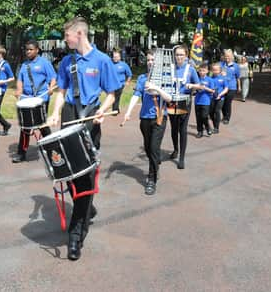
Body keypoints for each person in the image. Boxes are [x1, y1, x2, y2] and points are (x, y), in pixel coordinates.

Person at [48, 17, 120, 261]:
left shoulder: (102, 60)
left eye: (66, 34)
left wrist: (103, 109)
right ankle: (86, 206)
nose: (64, 38)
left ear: (79, 34)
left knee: (85, 176)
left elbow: (111, 92)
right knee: (69, 175)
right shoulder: (67, 61)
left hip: (90, 118)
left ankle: (76, 235)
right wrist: (56, 112)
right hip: (69, 117)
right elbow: (62, 91)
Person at [122, 50, 172, 195]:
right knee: (148, 148)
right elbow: (136, 95)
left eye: (153, 60)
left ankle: (152, 179)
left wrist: (156, 88)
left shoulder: (165, 77)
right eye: (149, 60)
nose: (150, 62)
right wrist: (128, 112)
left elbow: (169, 98)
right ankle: (155, 165)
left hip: (159, 118)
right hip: (144, 118)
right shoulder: (142, 78)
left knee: (154, 147)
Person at [13, 40, 56, 163]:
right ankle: (21, 153)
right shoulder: (24, 65)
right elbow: (20, 80)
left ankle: (52, 151)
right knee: (25, 126)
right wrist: (19, 90)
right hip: (27, 99)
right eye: (26, 49)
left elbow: (53, 77)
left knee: (42, 125)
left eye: (30, 49)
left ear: (37, 50)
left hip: (41, 99)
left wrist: (51, 87)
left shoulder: (44, 63)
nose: (28, 52)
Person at [168, 45, 201, 169]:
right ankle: (175, 149)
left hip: (185, 102)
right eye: (177, 55)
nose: (179, 57)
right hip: (172, 101)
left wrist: (191, 85)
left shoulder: (190, 69)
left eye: (181, 54)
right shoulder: (170, 68)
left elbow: (198, 85)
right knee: (173, 128)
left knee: (183, 129)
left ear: (186, 55)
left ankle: (181, 157)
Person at [194, 64, 215, 137]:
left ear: (207, 71)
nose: (201, 72)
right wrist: (196, 88)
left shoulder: (210, 80)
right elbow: (193, 89)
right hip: (197, 101)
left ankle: (208, 127)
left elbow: (212, 91)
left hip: (206, 101)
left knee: (204, 116)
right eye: (200, 70)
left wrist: (205, 88)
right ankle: (200, 131)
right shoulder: (196, 79)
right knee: (198, 117)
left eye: (203, 71)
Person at [219, 49, 240, 123]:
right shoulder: (221, 64)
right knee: (222, 102)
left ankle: (227, 118)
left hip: (232, 87)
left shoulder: (236, 66)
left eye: (228, 56)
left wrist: (239, 86)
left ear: (231, 56)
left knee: (228, 102)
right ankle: (224, 115)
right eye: (225, 56)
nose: (227, 57)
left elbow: (237, 77)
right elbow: (216, 73)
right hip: (222, 87)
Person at [209, 63, 228, 134]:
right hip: (211, 98)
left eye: (216, 70)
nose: (215, 71)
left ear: (220, 70)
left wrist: (220, 95)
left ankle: (216, 128)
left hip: (220, 98)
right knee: (211, 113)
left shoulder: (223, 78)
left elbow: (226, 89)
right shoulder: (210, 78)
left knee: (217, 111)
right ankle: (214, 125)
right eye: (213, 70)